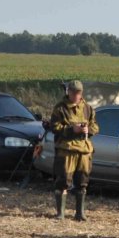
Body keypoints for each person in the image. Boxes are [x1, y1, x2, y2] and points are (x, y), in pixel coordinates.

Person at [49, 80, 98, 221]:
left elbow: (95, 126)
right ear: (68, 92)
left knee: (82, 181)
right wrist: (72, 129)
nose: (76, 95)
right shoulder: (60, 108)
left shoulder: (88, 108)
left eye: (79, 92)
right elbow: (54, 127)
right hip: (66, 150)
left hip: (84, 150)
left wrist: (88, 129)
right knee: (63, 181)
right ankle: (60, 213)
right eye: (73, 92)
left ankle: (80, 213)